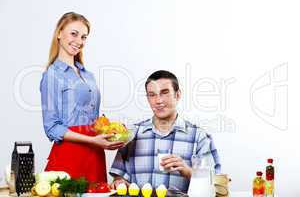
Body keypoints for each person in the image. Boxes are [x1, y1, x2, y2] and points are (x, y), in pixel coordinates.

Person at [40, 12, 124, 182]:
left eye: (84, 37)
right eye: (74, 34)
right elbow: (52, 127)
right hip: (69, 154)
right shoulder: (52, 75)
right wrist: (93, 141)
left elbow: (90, 118)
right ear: (59, 33)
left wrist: (110, 131)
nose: (79, 41)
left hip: (94, 154)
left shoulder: (88, 75)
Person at [109, 70, 221, 192]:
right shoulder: (131, 134)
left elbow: (214, 184)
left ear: (177, 95)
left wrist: (187, 171)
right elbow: (118, 178)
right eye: (152, 95)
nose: (158, 101)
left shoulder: (199, 137)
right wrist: (118, 181)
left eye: (164, 93)